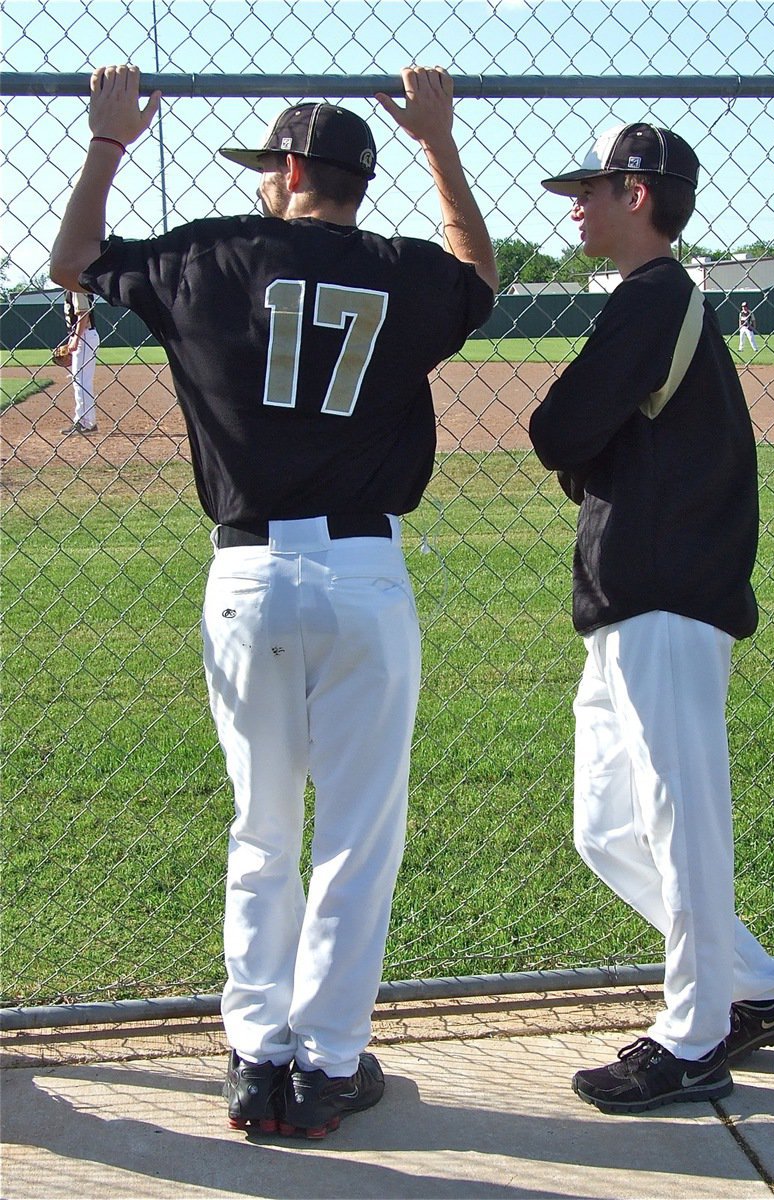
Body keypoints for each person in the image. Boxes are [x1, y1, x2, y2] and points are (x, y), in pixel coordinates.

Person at [50, 62, 496, 1137]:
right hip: (362, 576)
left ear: (292, 170)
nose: (260, 182)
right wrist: (438, 140)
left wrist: (109, 142)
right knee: (355, 834)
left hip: (246, 574)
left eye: (267, 167)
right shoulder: (397, 271)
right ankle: (329, 1065)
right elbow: (478, 276)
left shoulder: (207, 254)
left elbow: (70, 262)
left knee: (262, 829)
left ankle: (256, 1058)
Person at [529, 122, 774, 1116]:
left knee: (676, 818)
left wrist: (580, 448)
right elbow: (577, 437)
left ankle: (694, 1035)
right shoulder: (649, 303)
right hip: (629, 599)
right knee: (605, 826)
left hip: (665, 596)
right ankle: (765, 989)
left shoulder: (652, 298)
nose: (575, 206)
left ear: (638, 197)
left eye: (592, 190)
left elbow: (555, 429)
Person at [61, 288, 100, 434]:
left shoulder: (75, 285)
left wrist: (76, 339)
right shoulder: (73, 285)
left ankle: (85, 422)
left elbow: (84, 314)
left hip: (85, 336)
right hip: (83, 336)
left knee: (81, 381)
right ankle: (87, 421)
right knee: (80, 380)